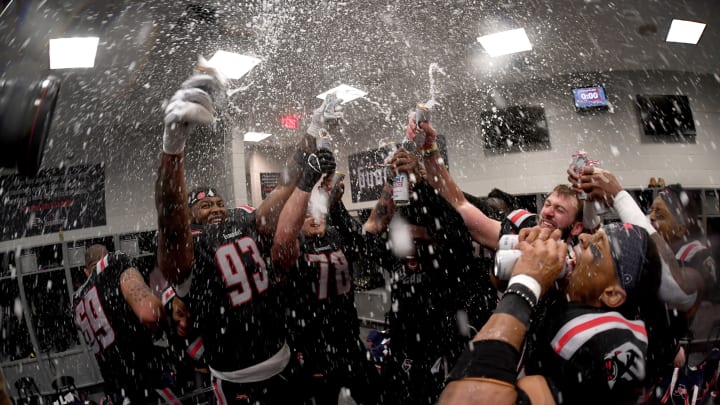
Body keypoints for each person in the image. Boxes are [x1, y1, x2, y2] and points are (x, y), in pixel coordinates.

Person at [155, 71, 337, 404]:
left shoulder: (243, 219)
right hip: (236, 379)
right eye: (204, 206)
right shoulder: (190, 245)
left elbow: (283, 186)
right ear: (191, 216)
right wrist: (174, 147)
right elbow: (170, 223)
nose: (214, 209)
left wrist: (311, 131)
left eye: (217, 202)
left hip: (283, 361)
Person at [438, 223, 666, 404]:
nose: (584, 238)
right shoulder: (573, 296)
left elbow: (468, 398)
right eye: (594, 233)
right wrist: (523, 259)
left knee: (533, 385)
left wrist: (525, 284)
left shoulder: (607, 339)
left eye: (596, 246)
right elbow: (497, 279)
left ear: (612, 294)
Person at [278, 190, 381, 405]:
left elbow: (368, 235)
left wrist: (335, 202)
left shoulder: (336, 235)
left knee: (376, 395)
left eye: (318, 213)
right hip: (313, 348)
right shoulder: (292, 246)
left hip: (348, 340)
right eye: (307, 215)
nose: (315, 219)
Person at [72, 244, 179, 404]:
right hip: (147, 383)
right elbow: (151, 314)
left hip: (117, 392)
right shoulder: (114, 264)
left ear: (86, 271)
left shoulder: (77, 300)